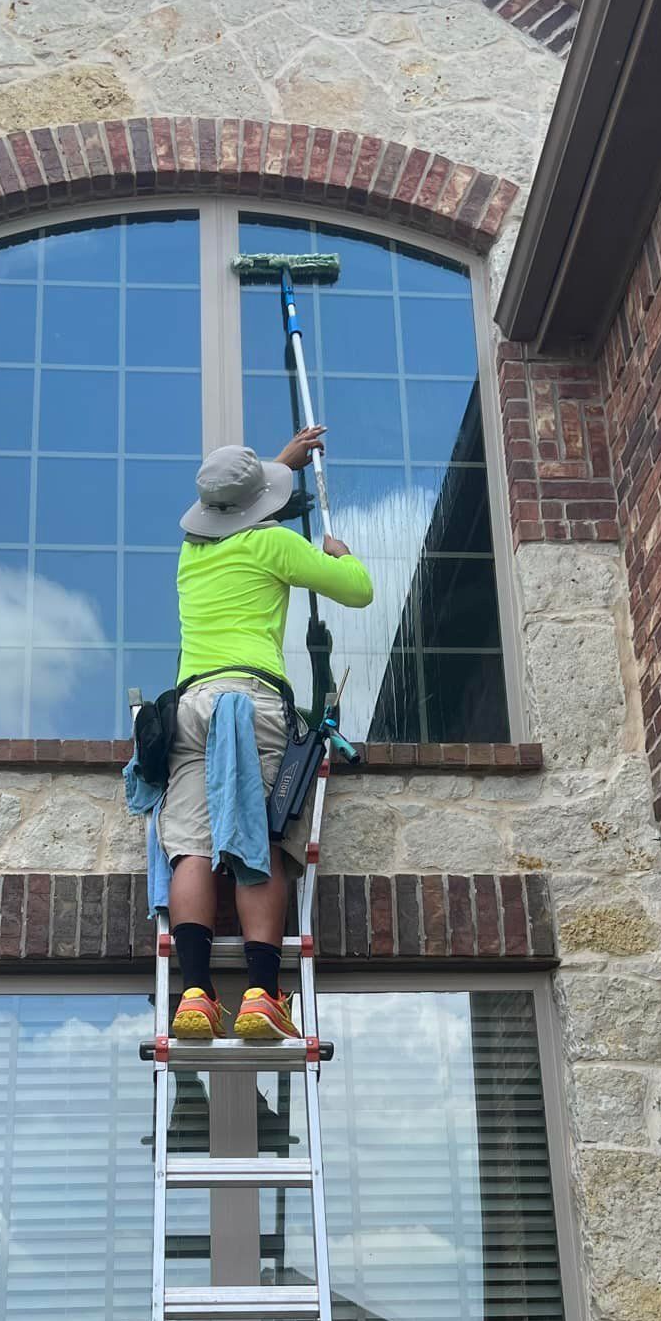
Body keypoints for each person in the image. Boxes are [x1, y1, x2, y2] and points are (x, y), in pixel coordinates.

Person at [160, 428, 373, 1041]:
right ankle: (260, 992)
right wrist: (339, 555)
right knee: (261, 837)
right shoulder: (275, 545)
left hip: (191, 707)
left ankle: (195, 994)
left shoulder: (191, 554)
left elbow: (234, 507)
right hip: (252, 704)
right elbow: (359, 592)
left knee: (193, 848)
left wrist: (280, 463)